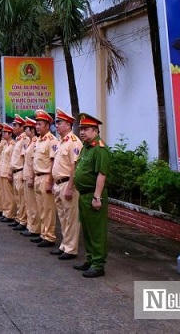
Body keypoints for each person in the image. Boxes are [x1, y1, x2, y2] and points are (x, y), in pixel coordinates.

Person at [73, 113, 111, 278]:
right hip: (83, 195)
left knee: (96, 231)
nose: (82, 132)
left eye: (86, 129)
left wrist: (97, 197)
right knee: (87, 230)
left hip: (93, 196)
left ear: (95, 130)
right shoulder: (86, 147)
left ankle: (98, 264)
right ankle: (90, 259)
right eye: (81, 129)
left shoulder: (100, 149)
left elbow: (101, 175)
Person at [49, 108, 83, 261]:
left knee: (71, 218)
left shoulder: (74, 142)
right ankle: (64, 245)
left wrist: (70, 187)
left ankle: (71, 249)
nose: (57, 125)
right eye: (56, 122)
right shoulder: (61, 142)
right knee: (62, 217)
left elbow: (75, 167)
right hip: (58, 184)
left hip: (67, 185)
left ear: (68, 125)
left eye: (60, 122)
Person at [31, 109, 59, 248]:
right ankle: (43, 234)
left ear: (47, 125)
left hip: (46, 177)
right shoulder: (38, 141)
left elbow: (53, 162)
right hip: (37, 177)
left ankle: (49, 237)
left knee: (48, 209)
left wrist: (50, 181)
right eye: (36, 124)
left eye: (40, 124)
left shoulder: (52, 141)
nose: (37, 126)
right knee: (40, 208)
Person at [20, 117, 41, 237]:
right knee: (29, 203)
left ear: (31, 130)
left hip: (32, 176)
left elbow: (33, 162)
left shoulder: (35, 142)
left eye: (26, 128)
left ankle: (34, 228)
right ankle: (31, 227)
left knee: (33, 205)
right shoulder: (30, 142)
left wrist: (31, 177)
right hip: (27, 175)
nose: (24, 130)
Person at [8, 116, 28, 231]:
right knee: (18, 198)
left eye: (15, 125)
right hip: (15, 171)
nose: (13, 127)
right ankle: (19, 218)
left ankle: (23, 220)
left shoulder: (24, 139)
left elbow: (25, 158)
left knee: (21, 198)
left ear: (21, 127)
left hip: (20, 171)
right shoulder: (18, 139)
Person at [0, 124, 17, 223]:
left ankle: (10, 214)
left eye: (5, 132)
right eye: (3, 132)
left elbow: (12, 160)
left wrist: (10, 173)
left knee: (9, 195)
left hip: (7, 172)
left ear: (10, 133)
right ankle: (5, 212)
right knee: (4, 194)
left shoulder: (13, 145)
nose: (3, 134)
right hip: (2, 171)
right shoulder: (6, 144)